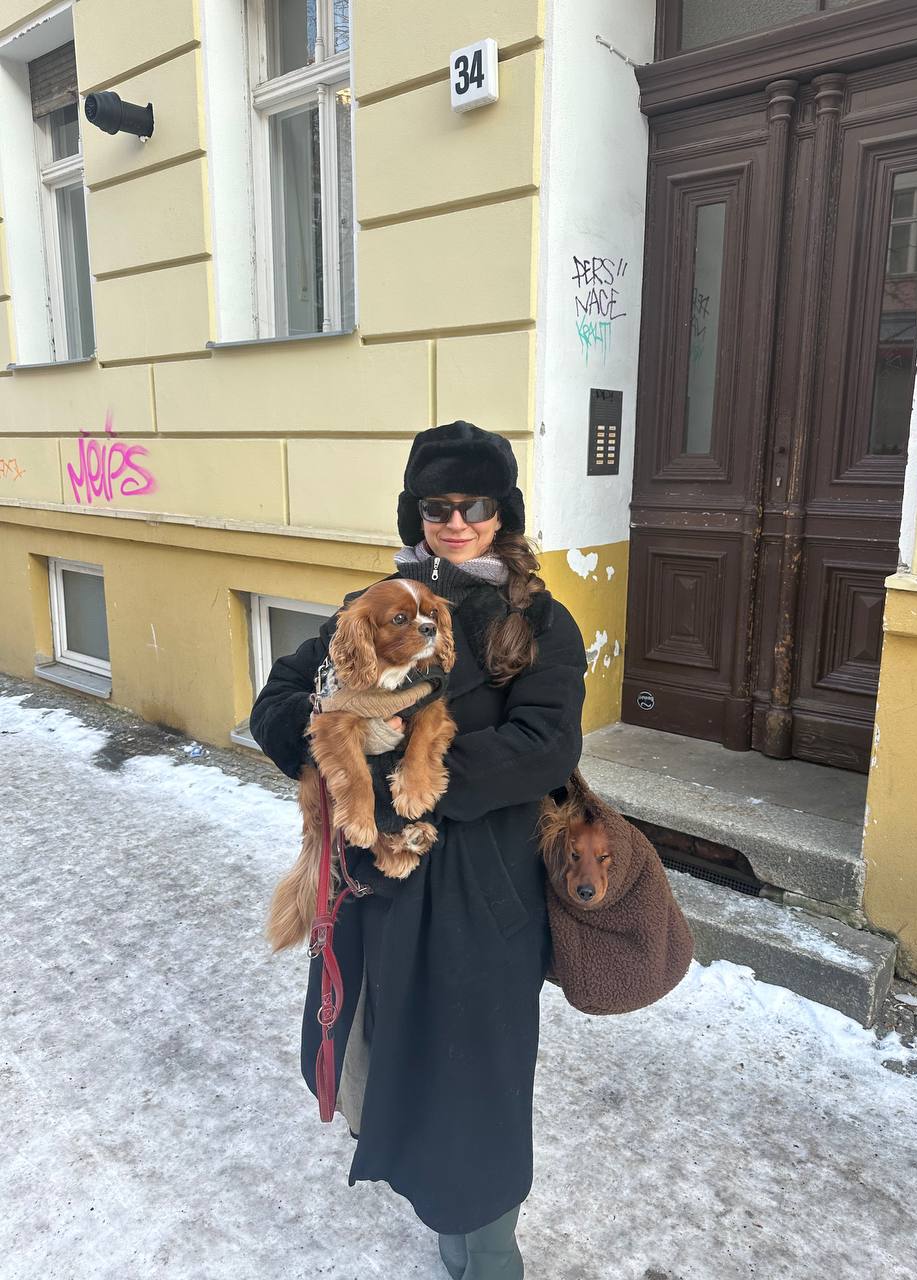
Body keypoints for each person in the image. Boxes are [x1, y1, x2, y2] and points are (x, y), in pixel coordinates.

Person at [250, 421, 587, 1279]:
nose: (456, 519)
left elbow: (547, 747)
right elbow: (281, 698)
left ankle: (490, 1254)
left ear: (500, 511)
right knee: (393, 1053)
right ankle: (445, 1225)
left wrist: (406, 764)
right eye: (437, 505)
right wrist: (331, 740)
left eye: (475, 504)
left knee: (479, 1081)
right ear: (418, 511)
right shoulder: (374, 603)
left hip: (483, 893)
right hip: (382, 889)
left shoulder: (540, 620)